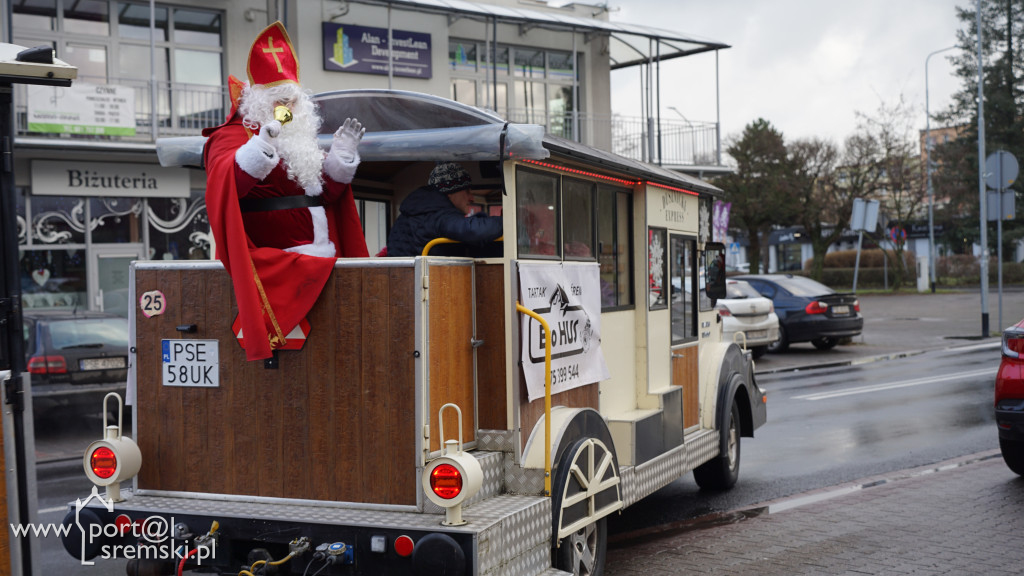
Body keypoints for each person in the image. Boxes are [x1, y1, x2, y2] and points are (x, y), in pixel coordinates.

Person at [203, 21, 368, 361]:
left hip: (325, 260)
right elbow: (225, 185)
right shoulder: (233, 135)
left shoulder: (300, 138)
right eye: (280, 100)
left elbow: (325, 197)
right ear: (258, 102)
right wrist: (261, 145)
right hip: (281, 264)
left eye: (292, 99)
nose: (287, 107)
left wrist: (341, 157)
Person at [385, 162, 502, 257]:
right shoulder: (438, 214)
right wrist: (510, 221)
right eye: (467, 191)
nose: (471, 198)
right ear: (450, 192)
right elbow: (474, 231)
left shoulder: (407, 216)